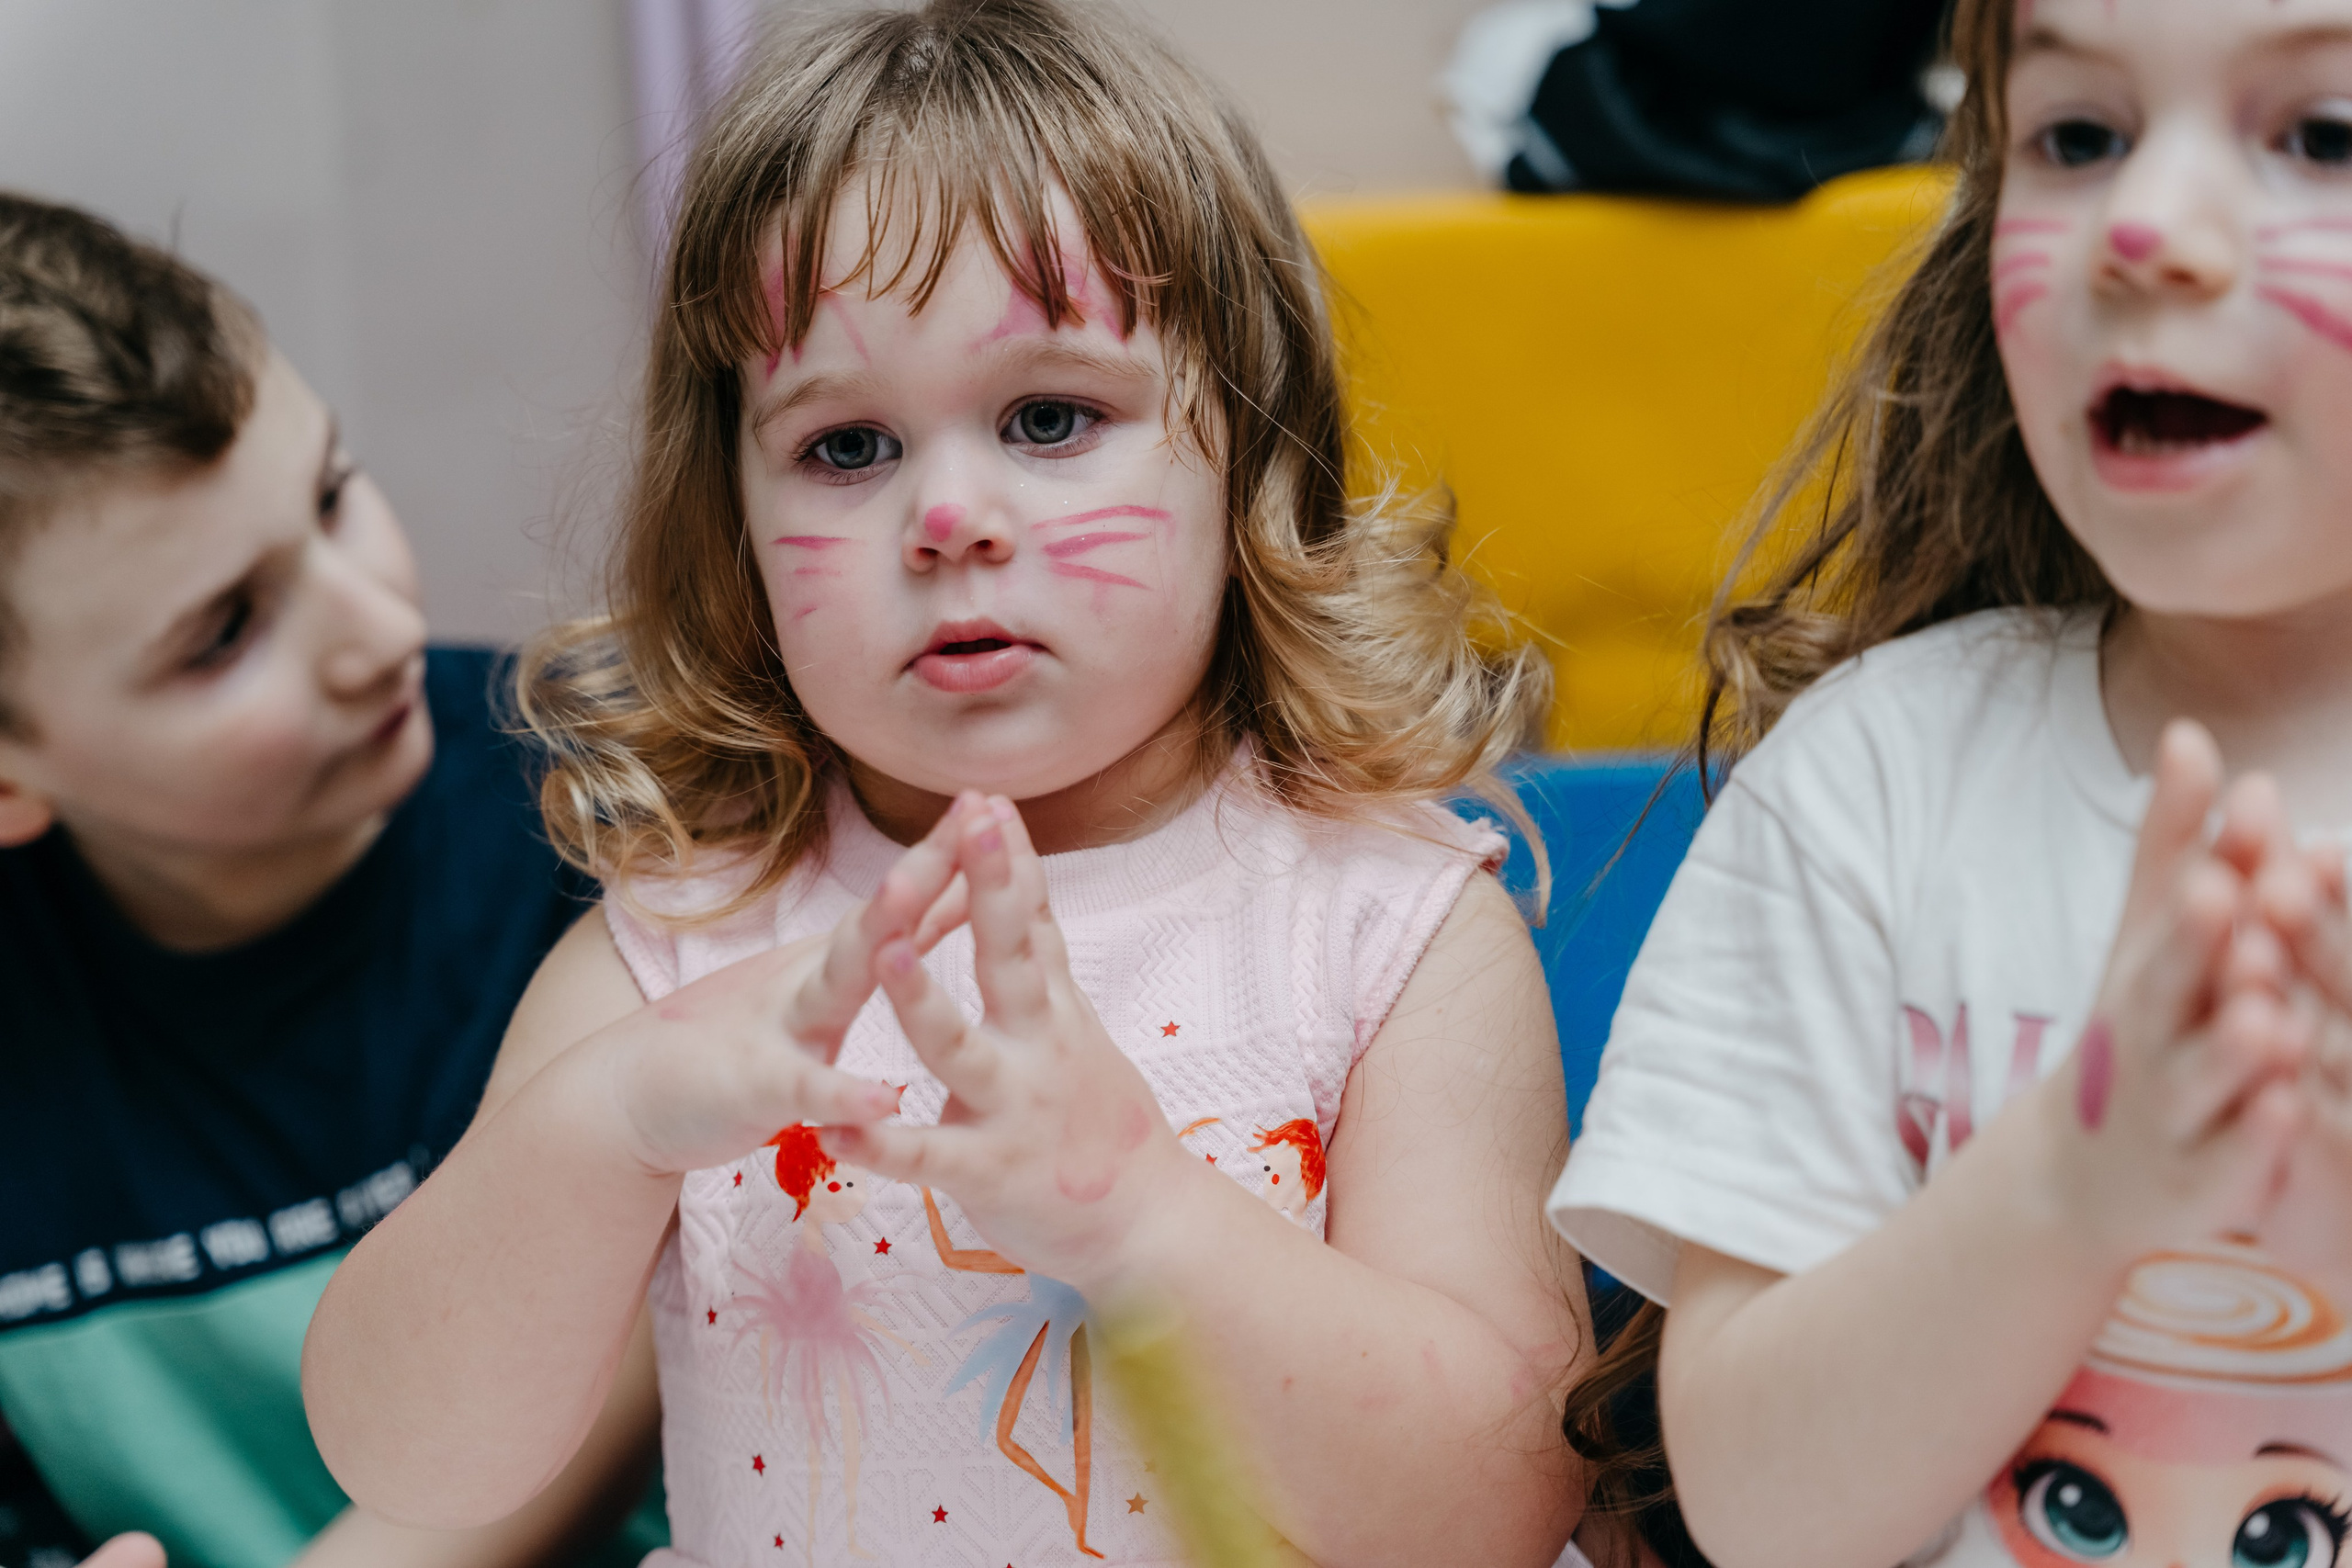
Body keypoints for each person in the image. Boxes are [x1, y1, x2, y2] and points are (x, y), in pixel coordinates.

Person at [300, 3, 1595, 1565]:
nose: (949, 516)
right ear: (731, 518)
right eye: (847, 448)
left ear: (1250, 456)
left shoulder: (1389, 939)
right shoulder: (678, 957)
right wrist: (609, 1126)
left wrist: (1138, 1211)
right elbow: (410, 1461)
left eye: (1051, 418)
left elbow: (1504, 1509)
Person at [1547, 1, 2352, 1566]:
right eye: (2078, 135)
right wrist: (2070, 1182)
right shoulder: (1875, 785)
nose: (2144, 229)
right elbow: (1762, 1512)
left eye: (2323, 134)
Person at [0, 194, 664, 1568]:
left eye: (331, 497)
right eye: (225, 631)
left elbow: (640, 1367)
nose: (375, 632)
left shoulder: (615, 814)